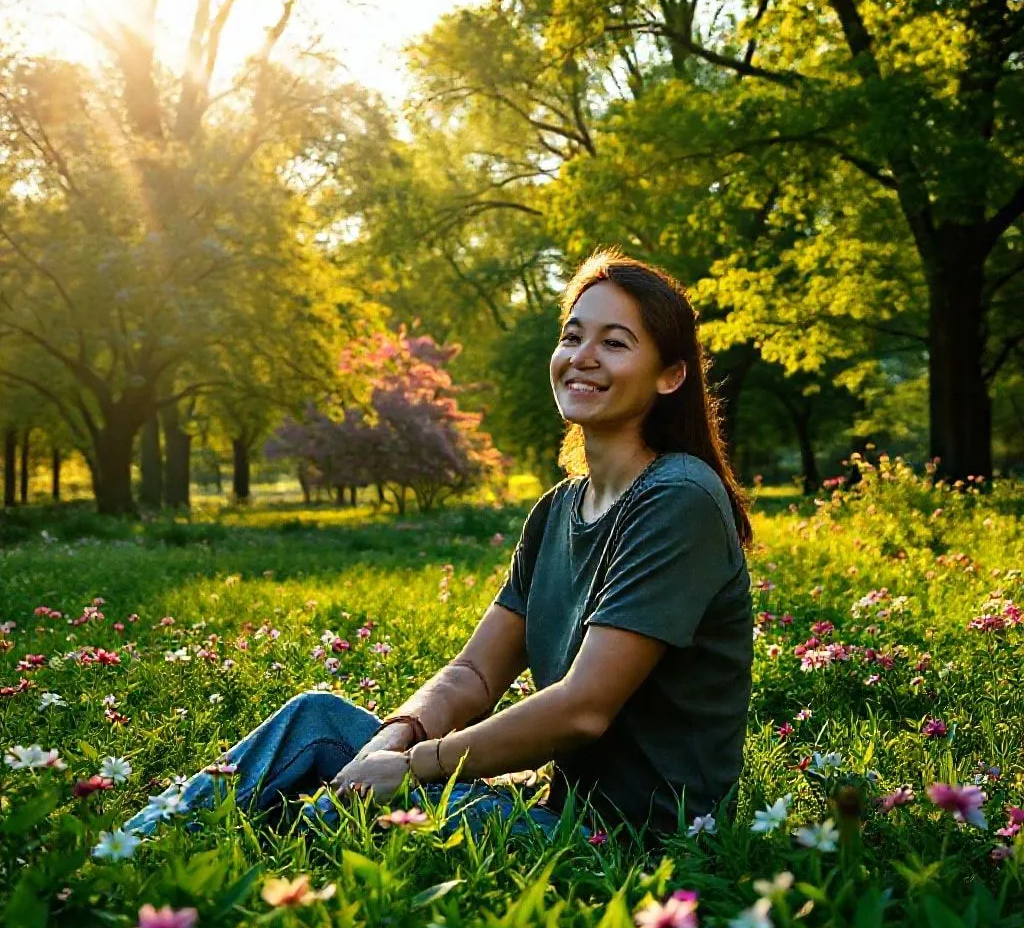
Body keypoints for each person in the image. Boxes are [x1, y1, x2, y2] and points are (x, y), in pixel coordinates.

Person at [124, 249, 754, 847]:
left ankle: (229, 866)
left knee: (346, 812)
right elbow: (474, 674)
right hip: (553, 807)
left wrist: (416, 767)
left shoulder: (678, 498)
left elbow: (582, 709)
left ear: (670, 375)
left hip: (629, 838)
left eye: (615, 343)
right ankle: (131, 849)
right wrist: (400, 733)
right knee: (316, 718)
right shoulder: (557, 511)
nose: (582, 356)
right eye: (571, 335)